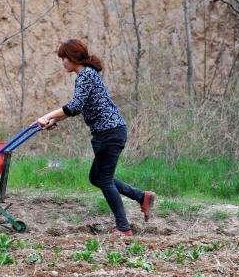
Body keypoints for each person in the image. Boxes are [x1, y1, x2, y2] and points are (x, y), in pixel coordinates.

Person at [36, 39, 154, 237]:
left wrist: (48, 115)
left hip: (110, 132)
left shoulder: (86, 75)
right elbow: (76, 107)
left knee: (104, 179)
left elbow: (74, 106)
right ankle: (141, 197)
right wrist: (52, 120)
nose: (63, 62)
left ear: (72, 58)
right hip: (108, 132)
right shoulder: (86, 75)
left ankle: (124, 227)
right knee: (96, 178)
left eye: (64, 58)